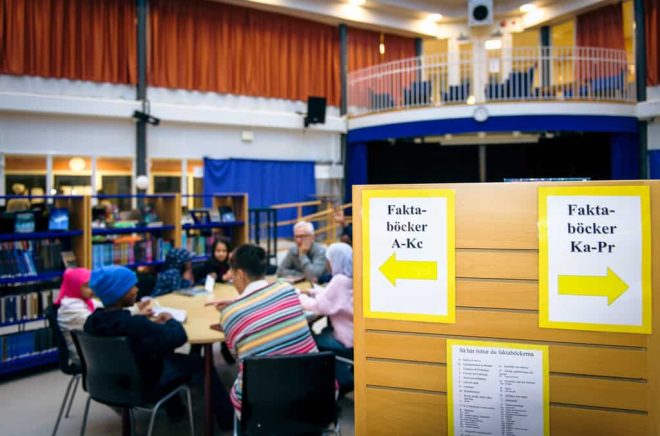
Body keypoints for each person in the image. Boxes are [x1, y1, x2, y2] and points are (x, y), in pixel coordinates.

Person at [84, 265, 233, 429]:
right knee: (200, 364)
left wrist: (138, 317)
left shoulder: (92, 321)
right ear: (119, 293)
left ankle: (176, 411)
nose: (136, 289)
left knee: (161, 350)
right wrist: (171, 320)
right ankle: (227, 420)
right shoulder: (136, 325)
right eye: (132, 287)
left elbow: (120, 323)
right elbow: (178, 337)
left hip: (106, 383)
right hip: (143, 384)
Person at [206, 244, 318, 416]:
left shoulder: (230, 315)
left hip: (262, 406)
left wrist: (234, 309)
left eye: (232, 274)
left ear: (240, 274)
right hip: (316, 393)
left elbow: (238, 355)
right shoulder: (286, 289)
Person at [299, 242, 354, 393]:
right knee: (324, 330)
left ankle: (342, 380)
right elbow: (332, 296)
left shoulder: (340, 281)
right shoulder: (351, 277)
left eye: (329, 260)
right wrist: (313, 292)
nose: (327, 264)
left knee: (309, 340)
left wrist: (299, 297)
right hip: (355, 336)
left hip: (346, 340)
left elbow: (319, 306)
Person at [55, 268, 99, 365]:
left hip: (90, 348)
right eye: (87, 286)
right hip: (82, 354)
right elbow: (96, 323)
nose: (92, 289)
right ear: (74, 286)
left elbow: (104, 307)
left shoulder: (86, 300)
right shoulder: (70, 307)